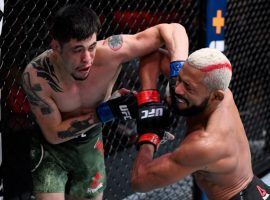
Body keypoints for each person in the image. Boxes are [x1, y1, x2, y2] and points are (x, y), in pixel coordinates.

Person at [21, 4, 189, 200]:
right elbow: (54, 134)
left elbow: (173, 29)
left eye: (91, 47)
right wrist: (107, 111)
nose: (87, 59)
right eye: (77, 50)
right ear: (57, 47)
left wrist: (178, 74)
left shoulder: (110, 52)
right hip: (50, 151)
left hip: (90, 144)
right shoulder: (37, 76)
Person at [131, 48, 270, 200]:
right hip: (257, 189)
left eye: (188, 87)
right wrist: (148, 98)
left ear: (216, 96)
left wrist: (149, 133)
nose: (177, 89)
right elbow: (154, 54)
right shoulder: (214, 88)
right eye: (179, 79)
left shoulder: (204, 145)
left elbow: (139, 181)